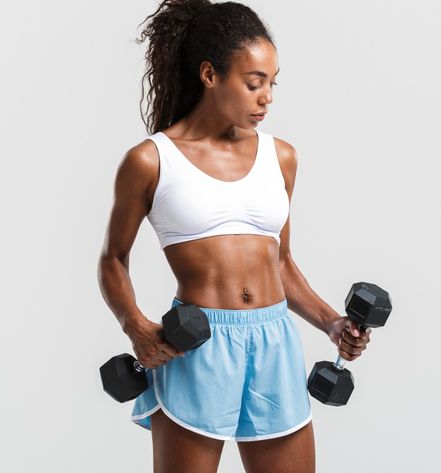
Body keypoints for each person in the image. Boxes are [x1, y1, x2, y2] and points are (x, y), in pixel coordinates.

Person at [97, 1, 372, 471]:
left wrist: (330, 322)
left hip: (275, 342)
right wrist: (135, 325)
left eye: (272, 83)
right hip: (197, 344)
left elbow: (280, 263)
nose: (267, 97)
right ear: (210, 75)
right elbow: (113, 260)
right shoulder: (151, 160)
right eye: (254, 83)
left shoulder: (280, 157)